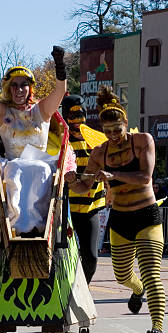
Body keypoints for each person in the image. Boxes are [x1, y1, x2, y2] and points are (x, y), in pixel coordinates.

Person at [66, 86, 166, 333]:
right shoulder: (99, 152)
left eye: (117, 130)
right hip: (120, 220)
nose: (112, 136)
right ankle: (137, 289)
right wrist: (70, 180)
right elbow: (84, 186)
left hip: (147, 215)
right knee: (122, 275)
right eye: (107, 131)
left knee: (151, 273)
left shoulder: (143, 141)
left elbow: (145, 177)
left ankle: (157, 326)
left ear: (126, 124)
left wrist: (114, 176)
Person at [0, 44, 70, 235]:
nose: (19, 90)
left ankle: (42, 225)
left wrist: (60, 66)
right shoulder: (4, 113)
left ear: (30, 88)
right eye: (15, 85)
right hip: (12, 166)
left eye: (24, 84)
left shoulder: (41, 111)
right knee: (16, 168)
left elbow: (59, 92)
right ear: (9, 89)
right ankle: (16, 225)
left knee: (42, 169)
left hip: (42, 167)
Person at [62, 94, 105, 284]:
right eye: (73, 115)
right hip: (66, 209)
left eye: (81, 114)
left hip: (89, 208)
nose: (78, 120)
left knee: (91, 258)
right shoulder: (61, 140)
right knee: (63, 255)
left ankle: (82, 291)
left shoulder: (98, 139)